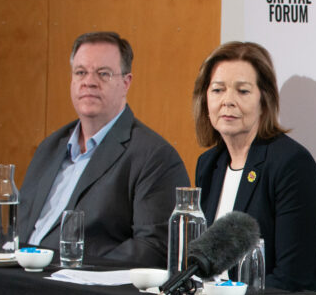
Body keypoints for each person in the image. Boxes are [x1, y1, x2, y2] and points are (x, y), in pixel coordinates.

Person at [18, 31, 189, 267]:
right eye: (80, 72)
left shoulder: (154, 156)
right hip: (21, 276)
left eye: (103, 74)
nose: (89, 81)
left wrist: (76, 268)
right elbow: (20, 226)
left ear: (125, 83)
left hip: (81, 291)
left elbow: (154, 249)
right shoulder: (50, 147)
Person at [193, 41, 316, 293]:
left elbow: (293, 276)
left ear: (264, 100)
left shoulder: (291, 164)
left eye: (242, 91)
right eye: (217, 90)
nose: (228, 101)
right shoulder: (208, 164)